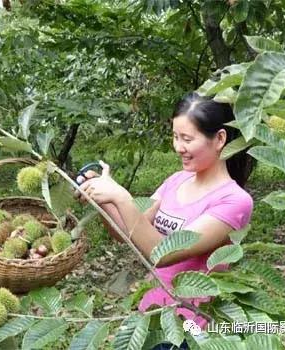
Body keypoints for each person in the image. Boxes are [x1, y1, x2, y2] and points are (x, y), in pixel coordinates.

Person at [77, 92, 254, 349]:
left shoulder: (234, 201)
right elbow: (127, 231)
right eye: (175, 136)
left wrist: (122, 197)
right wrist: (102, 198)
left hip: (187, 327)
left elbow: (163, 254)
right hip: (150, 313)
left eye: (187, 139)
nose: (178, 147)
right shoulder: (177, 180)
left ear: (219, 139)